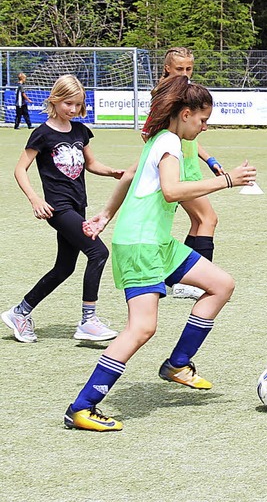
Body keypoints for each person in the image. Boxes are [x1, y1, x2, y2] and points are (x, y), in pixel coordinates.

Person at [64, 75, 256, 431]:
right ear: (185, 114)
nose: (204, 126)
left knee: (221, 285)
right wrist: (228, 180)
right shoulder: (167, 142)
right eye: (202, 120)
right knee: (141, 328)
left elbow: (130, 177)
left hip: (158, 242)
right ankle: (82, 406)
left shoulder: (163, 139)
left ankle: (178, 364)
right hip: (141, 245)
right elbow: (171, 191)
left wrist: (106, 214)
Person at [2, 75, 123, 343]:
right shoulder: (42, 134)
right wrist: (35, 199)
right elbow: (20, 169)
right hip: (58, 208)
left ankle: (20, 312)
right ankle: (88, 320)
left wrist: (113, 172)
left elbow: (91, 164)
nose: (72, 109)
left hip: (77, 206)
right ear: (55, 100)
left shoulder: (81, 131)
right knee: (98, 252)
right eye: (68, 103)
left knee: (64, 268)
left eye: (77, 105)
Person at [142, 47, 223, 300]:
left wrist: (209, 159)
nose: (185, 73)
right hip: (178, 173)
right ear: (167, 68)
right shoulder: (166, 96)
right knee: (208, 219)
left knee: (200, 221)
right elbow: (148, 133)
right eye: (180, 69)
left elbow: (189, 135)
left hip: (190, 169)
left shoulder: (184, 93)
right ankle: (192, 279)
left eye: (189, 69)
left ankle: (179, 277)